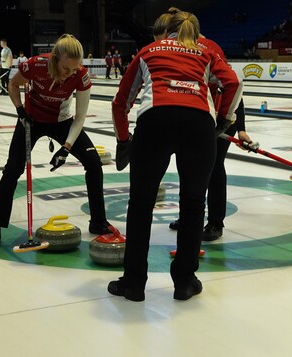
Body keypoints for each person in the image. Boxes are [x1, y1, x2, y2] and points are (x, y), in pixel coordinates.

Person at [108, 11, 242, 301]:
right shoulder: (206, 51)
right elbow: (233, 84)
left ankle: (133, 283)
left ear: (165, 31)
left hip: (155, 120)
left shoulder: (148, 50)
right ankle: (184, 281)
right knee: (193, 204)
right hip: (198, 125)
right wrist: (224, 120)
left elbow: (120, 102)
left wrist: (123, 140)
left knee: (141, 204)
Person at [0, 33, 112, 247]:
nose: (69, 74)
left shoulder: (80, 75)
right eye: (65, 69)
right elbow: (13, 85)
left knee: (93, 162)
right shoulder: (35, 65)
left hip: (62, 122)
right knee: (13, 169)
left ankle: (98, 222)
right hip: (31, 121)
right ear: (54, 59)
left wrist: (65, 148)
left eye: (74, 69)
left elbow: (80, 118)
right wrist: (20, 110)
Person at [154, 7, 253, 242]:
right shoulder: (178, 48)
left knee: (214, 168)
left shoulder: (209, 49)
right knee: (187, 167)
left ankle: (216, 222)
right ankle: (188, 217)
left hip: (219, 117)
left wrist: (238, 126)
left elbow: (234, 86)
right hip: (196, 117)